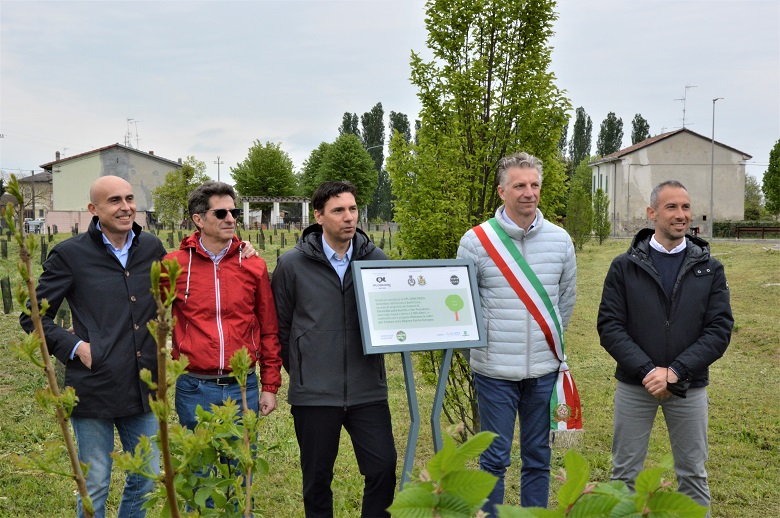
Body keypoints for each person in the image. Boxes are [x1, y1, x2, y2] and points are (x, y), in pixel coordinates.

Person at [20, 175, 166, 518]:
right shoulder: (70, 255)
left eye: (129, 198)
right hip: (93, 383)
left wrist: (240, 248)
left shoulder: (152, 248)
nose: (126, 207)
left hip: (143, 384)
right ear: (93, 209)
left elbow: (185, 274)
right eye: (114, 200)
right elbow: (34, 317)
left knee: (146, 475)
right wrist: (76, 347)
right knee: (96, 481)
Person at [597, 180, 733, 511]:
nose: (681, 215)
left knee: (692, 475)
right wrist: (648, 371)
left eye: (685, 207)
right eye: (672, 207)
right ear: (652, 213)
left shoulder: (710, 268)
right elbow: (610, 326)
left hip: (689, 385)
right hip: (636, 385)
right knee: (623, 477)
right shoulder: (624, 266)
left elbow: (719, 329)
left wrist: (675, 371)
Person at [456, 152, 577, 514]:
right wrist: (483, 355)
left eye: (534, 184)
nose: (529, 192)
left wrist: (546, 345)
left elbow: (565, 301)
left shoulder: (560, 240)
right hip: (494, 374)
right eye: (519, 185)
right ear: (501, 191)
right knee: (494, 459)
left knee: (538, 458)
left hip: (543, 372)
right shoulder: (476, 241)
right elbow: (465, 307)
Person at [271, 181, 397, 518]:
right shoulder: (292, 264)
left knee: (383, 469)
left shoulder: (376, 259)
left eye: (352, 209)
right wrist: (301, 368)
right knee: (316, 480)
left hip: (367, 389)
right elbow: (280, 327)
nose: (348, 217)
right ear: (319, 216)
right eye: (338, 210)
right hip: (314, 392)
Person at [164, 181, 282, 430]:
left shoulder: (253, 265)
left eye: (234, 212)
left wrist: (269, 385)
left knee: (240, 466)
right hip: (193, 387)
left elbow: (268, 327)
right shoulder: (174, 265)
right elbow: (147, 315)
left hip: (242, 386)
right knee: (198, 468)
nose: (230, 219)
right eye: (221, 213)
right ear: (198, 219)